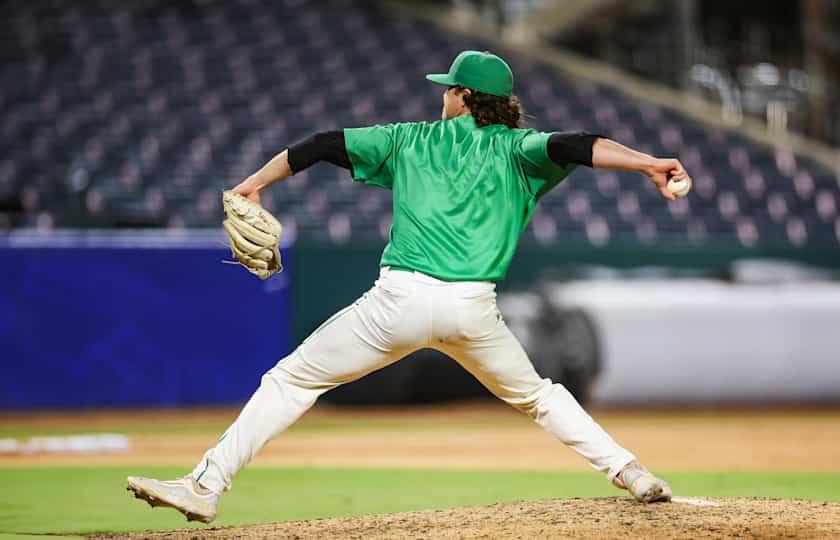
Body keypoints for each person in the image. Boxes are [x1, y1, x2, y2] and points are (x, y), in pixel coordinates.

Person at [127, 50, 688, 524]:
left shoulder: (407, 140)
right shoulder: (518, 150)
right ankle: (631, 472)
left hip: (398, 302)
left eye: (448, 90)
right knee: (539, 397)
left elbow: (321, 144)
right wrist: (647, 166)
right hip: (474, 310)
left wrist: (252, 185)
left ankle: (205, 485)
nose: (440, 96)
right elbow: (579, 145)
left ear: (464, 96)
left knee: (292, 379)